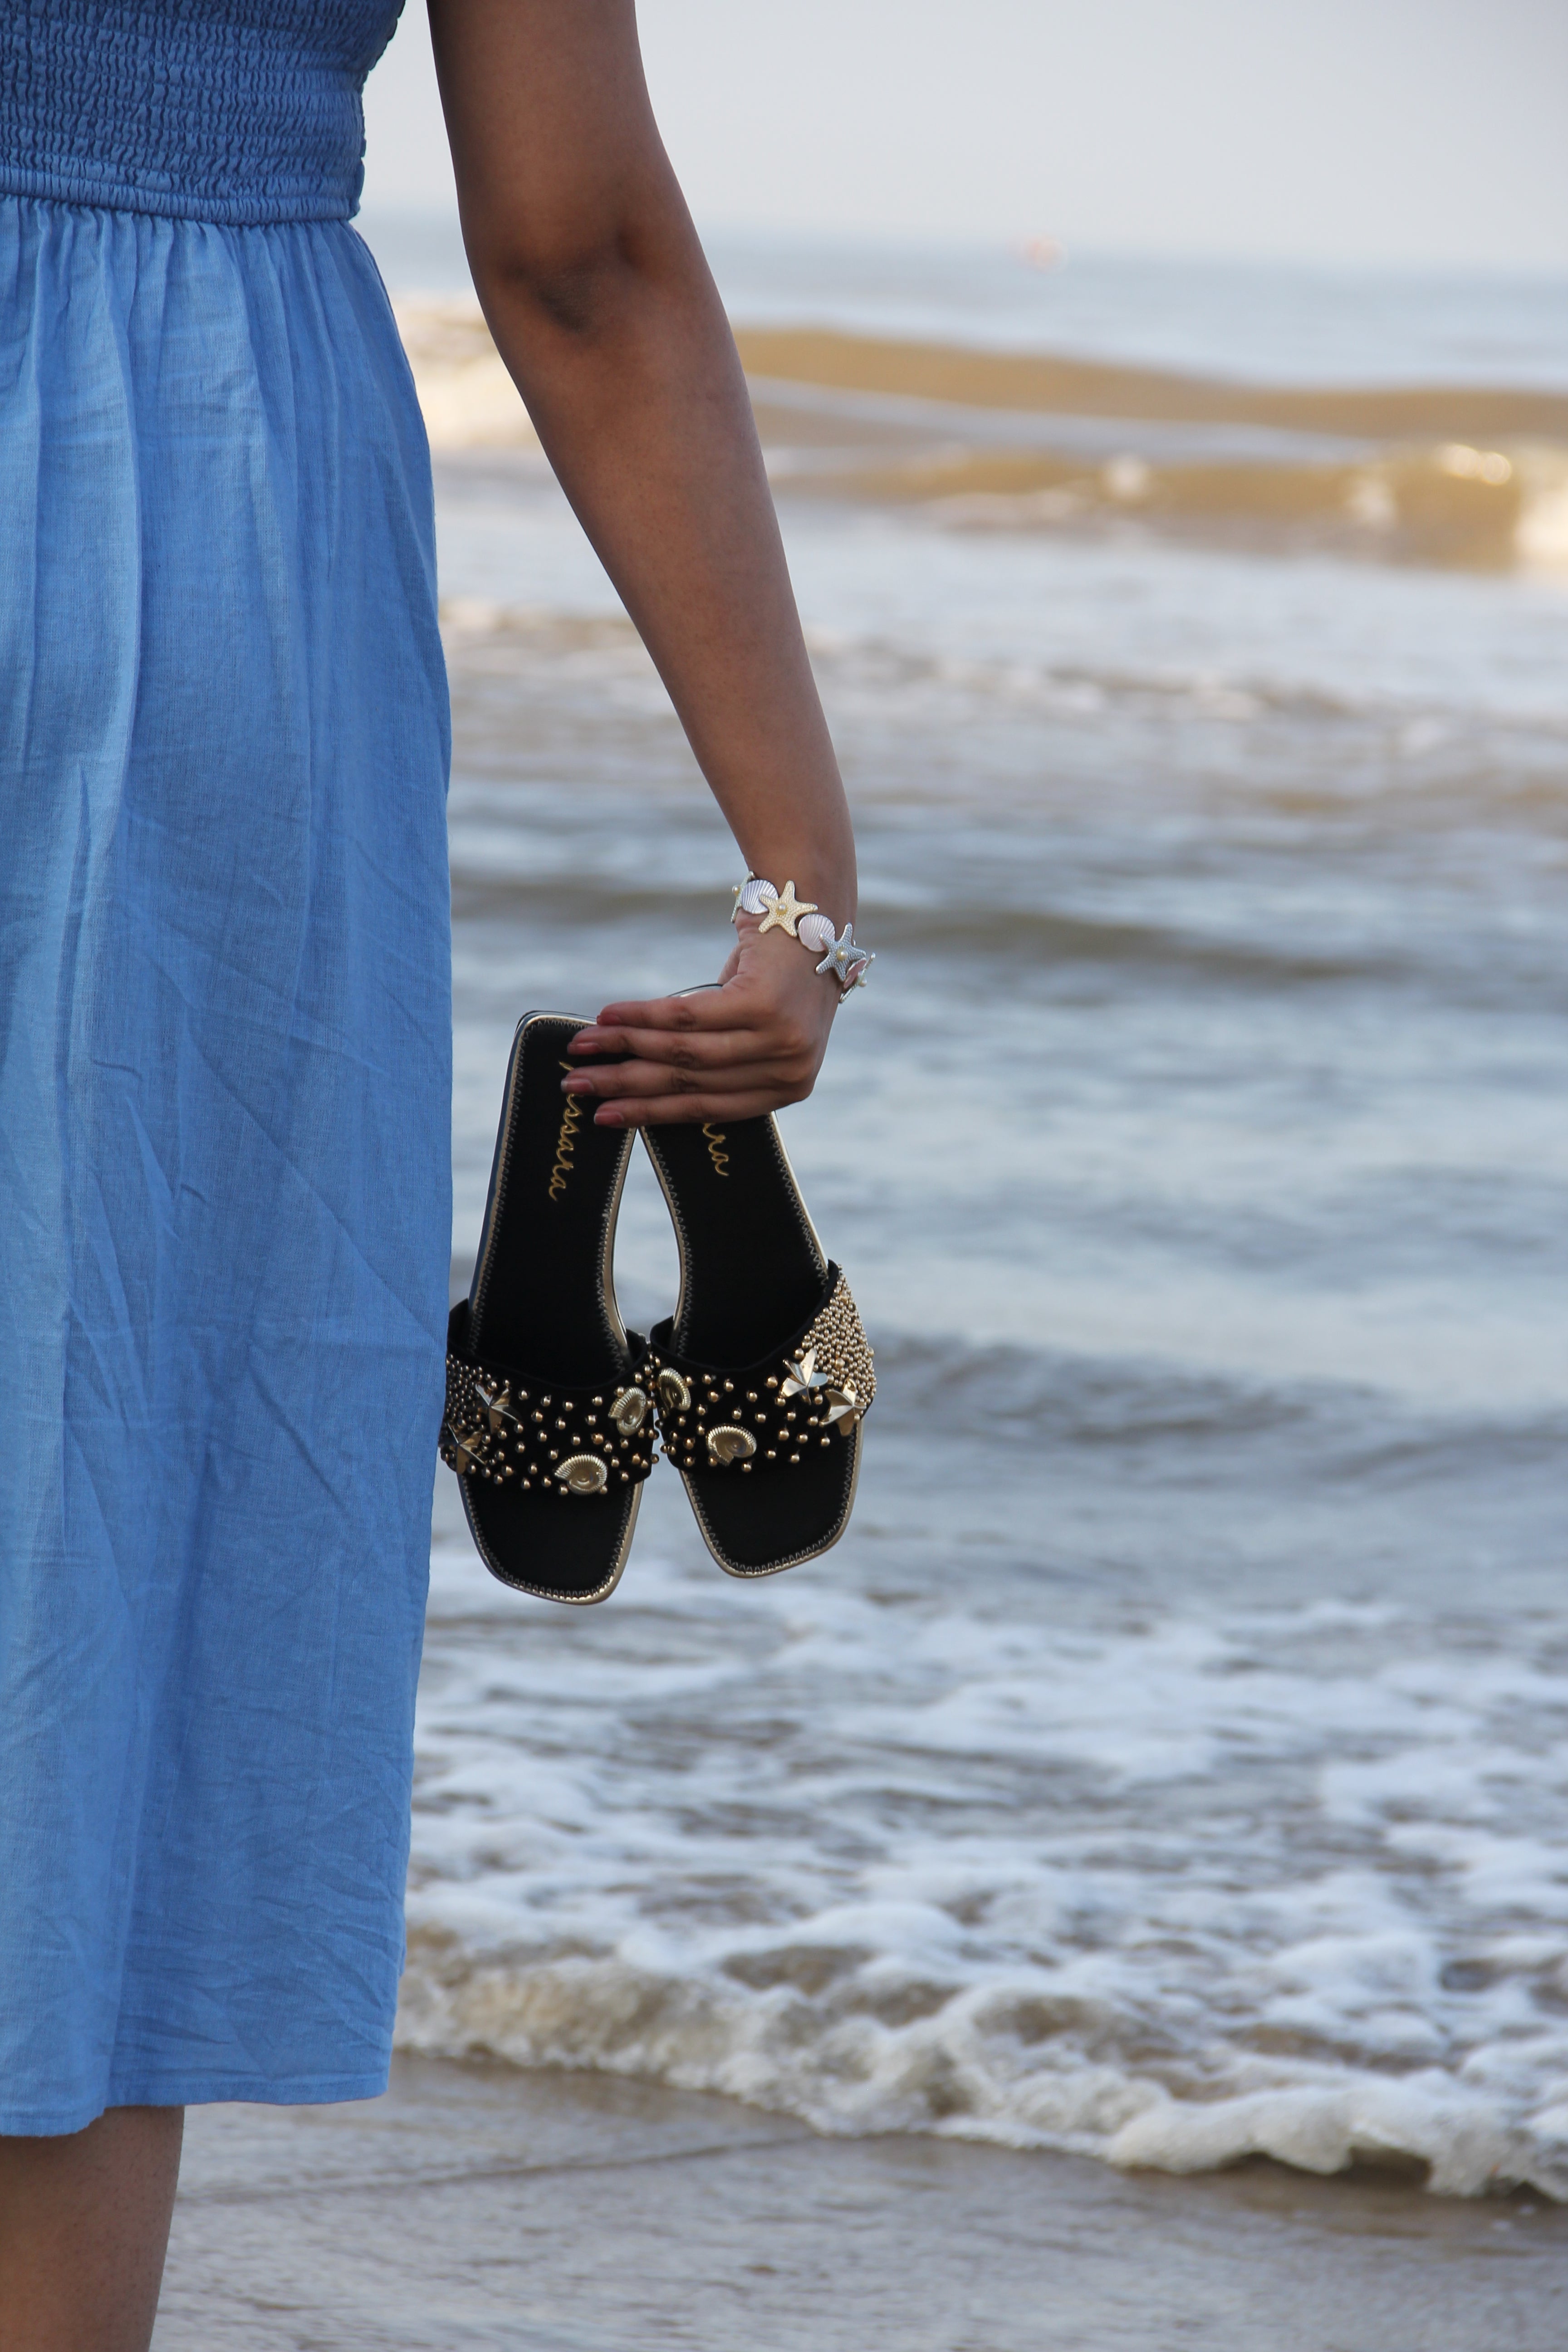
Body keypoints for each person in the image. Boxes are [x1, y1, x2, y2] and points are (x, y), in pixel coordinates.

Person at [0, 3, 858, 2342]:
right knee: (86, 1601)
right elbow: (574, 253)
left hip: (182, 521)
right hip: (178, 520)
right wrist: (801, 881)